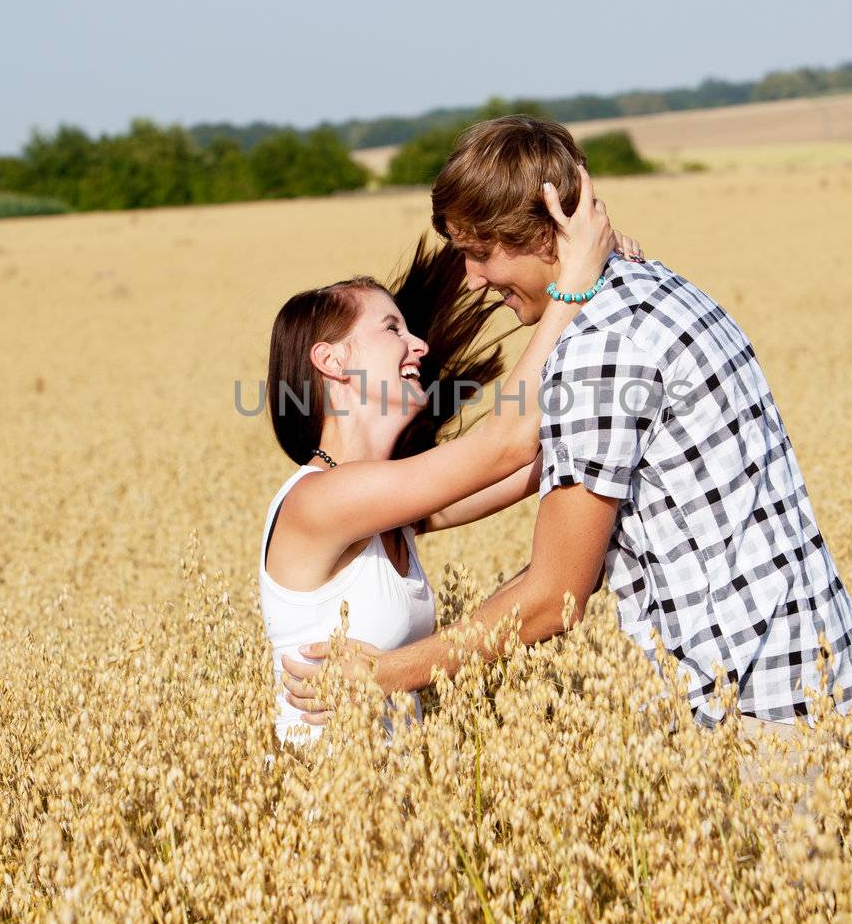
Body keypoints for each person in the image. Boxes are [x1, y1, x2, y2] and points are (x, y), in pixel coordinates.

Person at [282, 115, 852, 749]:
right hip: (809, 670)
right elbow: (520, 460)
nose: (472, 279)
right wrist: (579, 284)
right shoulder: (657, 292)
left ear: (541, 230)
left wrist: (387, 673)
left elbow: (553, 586)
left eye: (480, 252)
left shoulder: (600, 347)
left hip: (747, 701)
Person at [260, 165, 639, 747]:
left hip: (388, 805)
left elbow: (534, 460)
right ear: (333, 362)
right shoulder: (320, 499)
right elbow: (506, 443)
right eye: (392, 329)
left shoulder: (388, 507)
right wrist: (576, 283)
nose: (419, 345)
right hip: (324, 806)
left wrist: (604, 280)